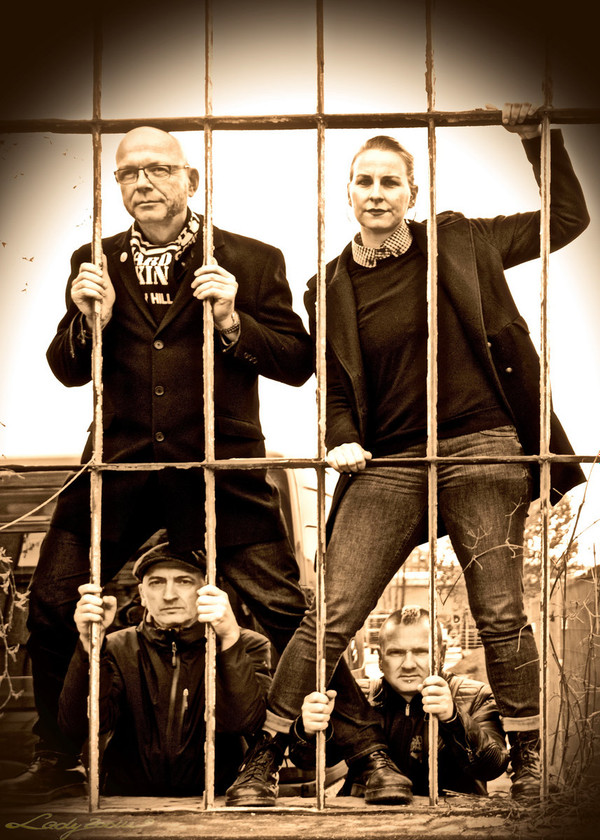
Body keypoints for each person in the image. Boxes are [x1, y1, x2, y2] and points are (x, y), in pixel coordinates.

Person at [227, 103, 589, 804]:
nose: (377, 193)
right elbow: (334, 384)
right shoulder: (329, 285)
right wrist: (340, 438)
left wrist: (537, 140)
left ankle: (528, 759)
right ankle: (264, 757)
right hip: (389, 460)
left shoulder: (461, 241)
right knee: (329, 613)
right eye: (364, 181)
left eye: (390, 181)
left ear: (411, 193)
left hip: (483, 445)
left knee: (499, 612)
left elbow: (568, 220)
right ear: (349, 192)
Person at [0, 125, 316, 804]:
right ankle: (58, 759)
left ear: (190, 181)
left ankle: (329, 752)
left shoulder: (251, 258)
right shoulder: (94, 259)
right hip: (118, 466)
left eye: (158, 169)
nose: (141, 183)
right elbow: (65, 368)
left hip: (218, 469)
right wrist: (89, 320)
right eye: (127, 173)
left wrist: (231, 319)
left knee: (285, 610)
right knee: (52, 601)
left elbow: (296, 361)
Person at [57, 542, 270, 796]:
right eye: (157, 583)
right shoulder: (116, 647)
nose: (169, 595)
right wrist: (88, 645)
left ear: (207, 590)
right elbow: (78, 725)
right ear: (142, 593)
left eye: (183, 581)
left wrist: (230, 639)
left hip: (219, 798)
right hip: (127, 802)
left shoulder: (245, 644)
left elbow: (245, 723)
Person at [292, 607, 509, 800]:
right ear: (380, 658)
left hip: (454, 822)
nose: (408, 664)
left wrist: (453, 718)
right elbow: (310, 763)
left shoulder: (476, 696)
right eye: (396, 653)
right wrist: (309, 731)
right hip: (368, 819)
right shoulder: (357, 697)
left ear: (441, 654)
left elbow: (493, 767)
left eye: (421, 652)